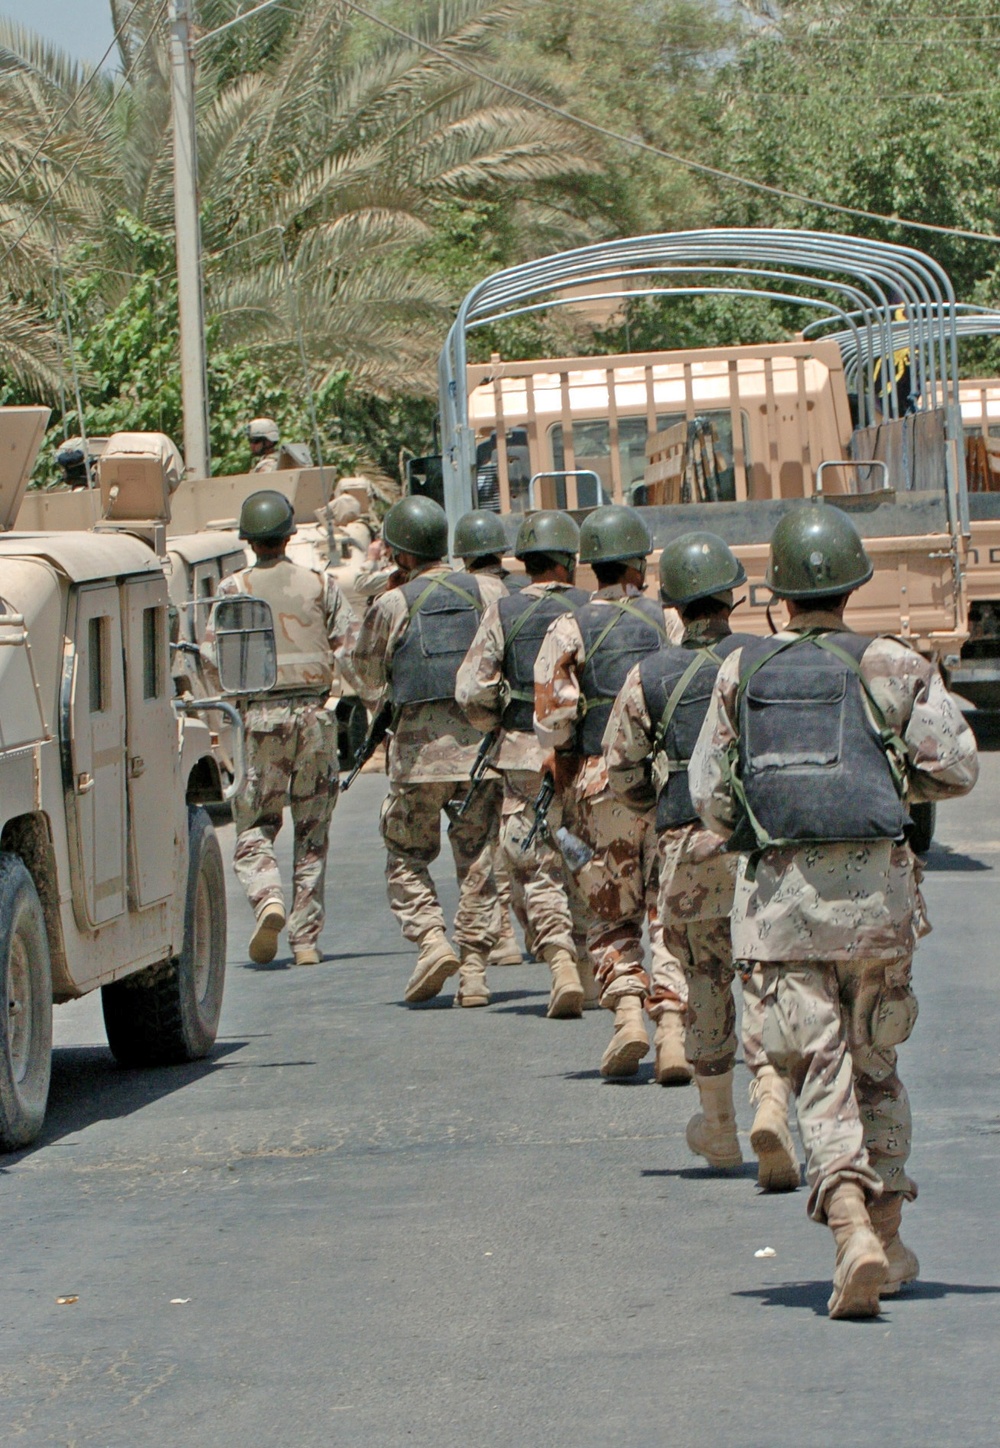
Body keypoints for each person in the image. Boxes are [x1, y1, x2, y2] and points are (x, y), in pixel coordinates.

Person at [688, 502, 978, 1318]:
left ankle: (850, 1227)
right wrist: (887, 783)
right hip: (877, 907)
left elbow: (710, 797)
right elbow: (956, 770)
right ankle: (884, 1238)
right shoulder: (894, 662)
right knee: (876, 1063)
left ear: (779, 594)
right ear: (855, 583)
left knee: (817, 1069)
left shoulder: (741, 673)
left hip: (780, 909)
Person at [603, 531, 798, 1188]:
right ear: (732, 594)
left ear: (676, 605)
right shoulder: (768, 659)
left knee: (708, 980)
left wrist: (656, 804)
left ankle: (718, 1130)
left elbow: (621, 768)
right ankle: (771, 1100)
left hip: (688, 845)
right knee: (767, 976)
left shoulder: (647, 675)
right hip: (764, 842)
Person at [533, 503, 691, 1082]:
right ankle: (674, 1029)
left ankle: (628, 1014)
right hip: (665, 780)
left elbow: (552, 722)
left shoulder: (569, 627)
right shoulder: (669, 622)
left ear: (590, 567)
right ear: (637, 563)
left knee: (608, 907)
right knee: (666, 908)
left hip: (599, 785)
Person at [353, 495, 506, 1007]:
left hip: (416, 760)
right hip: (483, 753)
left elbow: (368, 674)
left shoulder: (392, 604)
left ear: (399, 554)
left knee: (405, 855)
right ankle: (477, 972)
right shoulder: (489, 589)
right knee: (480, 857)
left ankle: (432, 940)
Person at [206, 489, 358, 967]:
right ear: (291, 535)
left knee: (253, 827)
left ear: (248, 540)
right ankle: (306, 941)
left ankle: (267, 897)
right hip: (315, 719)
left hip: (259, 720)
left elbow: (213, 660)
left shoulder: (233, 590)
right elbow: (349, 648)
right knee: (313, 833)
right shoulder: (320, 584)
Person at [457, 510, 598, 1017]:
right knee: (581, 857)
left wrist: (498, 720)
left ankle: (559, 960)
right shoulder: (590, 609)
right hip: (584, 758)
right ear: (568, 560)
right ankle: (589, 968)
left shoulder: (504, 612)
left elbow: (471, 689)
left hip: (521, 754)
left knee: (535, 863)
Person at [452, 508, 529, 967]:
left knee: (493, 842)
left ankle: (502, 937)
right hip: (534, 734)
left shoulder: (472, 593)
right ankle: (542, 932)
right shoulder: (517, 594)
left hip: (490, 735)